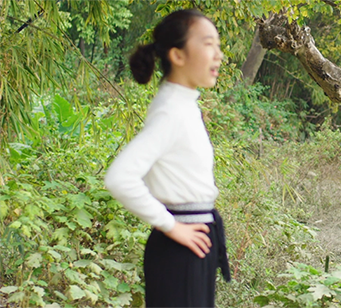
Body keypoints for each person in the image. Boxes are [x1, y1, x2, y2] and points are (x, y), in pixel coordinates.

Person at [104, 9, 229, 308]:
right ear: (178, 55)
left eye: (218, 45)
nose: (219, 55)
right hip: (181, 246)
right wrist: (170, 225)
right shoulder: (172, 110)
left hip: (193, 242)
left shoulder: (182, 105)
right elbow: (119, 177)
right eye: (208, 43)